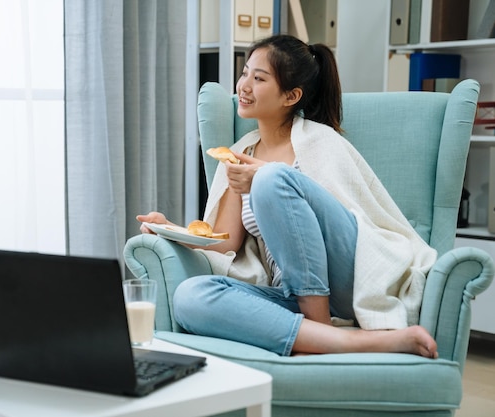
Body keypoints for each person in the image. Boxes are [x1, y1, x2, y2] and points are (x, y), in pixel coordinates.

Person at [137, 34, 439, 358]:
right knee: (190, 296)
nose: (244, 85)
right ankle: (335, 340)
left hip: (349, 277)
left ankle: (319, 326)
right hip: (290, 292)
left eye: (259, 78)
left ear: (291, 95)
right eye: (244, 73)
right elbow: (224, 243)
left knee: (270, 177)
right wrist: (170, 229)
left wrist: (269, 178)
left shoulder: (320, 142)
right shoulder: (239, 156)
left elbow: (345, 219)